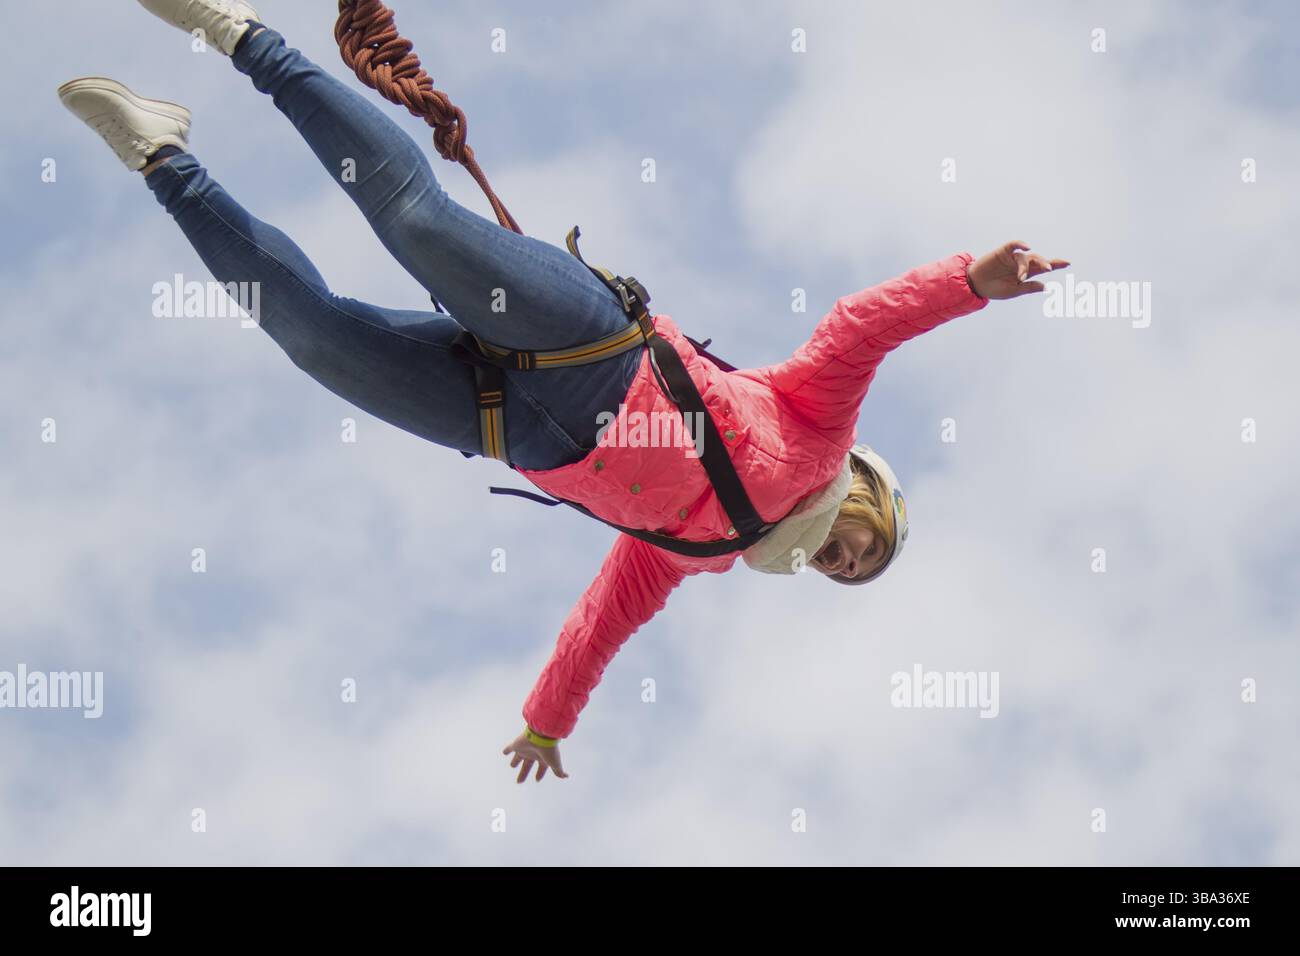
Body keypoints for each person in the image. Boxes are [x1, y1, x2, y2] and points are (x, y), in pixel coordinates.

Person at [59, 1, 1069, 783]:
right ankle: (239, 35)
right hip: (591, 344)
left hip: (497, 423)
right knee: (415, 223)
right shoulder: (814, 433)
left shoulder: (698, 554)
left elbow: (598, 626)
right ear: (867, 493)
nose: (847, 562)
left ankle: (160, 154)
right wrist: (968, 283)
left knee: (315, 340)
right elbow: (858, 329)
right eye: (867, 546)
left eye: (851, 574)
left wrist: (548, 719)